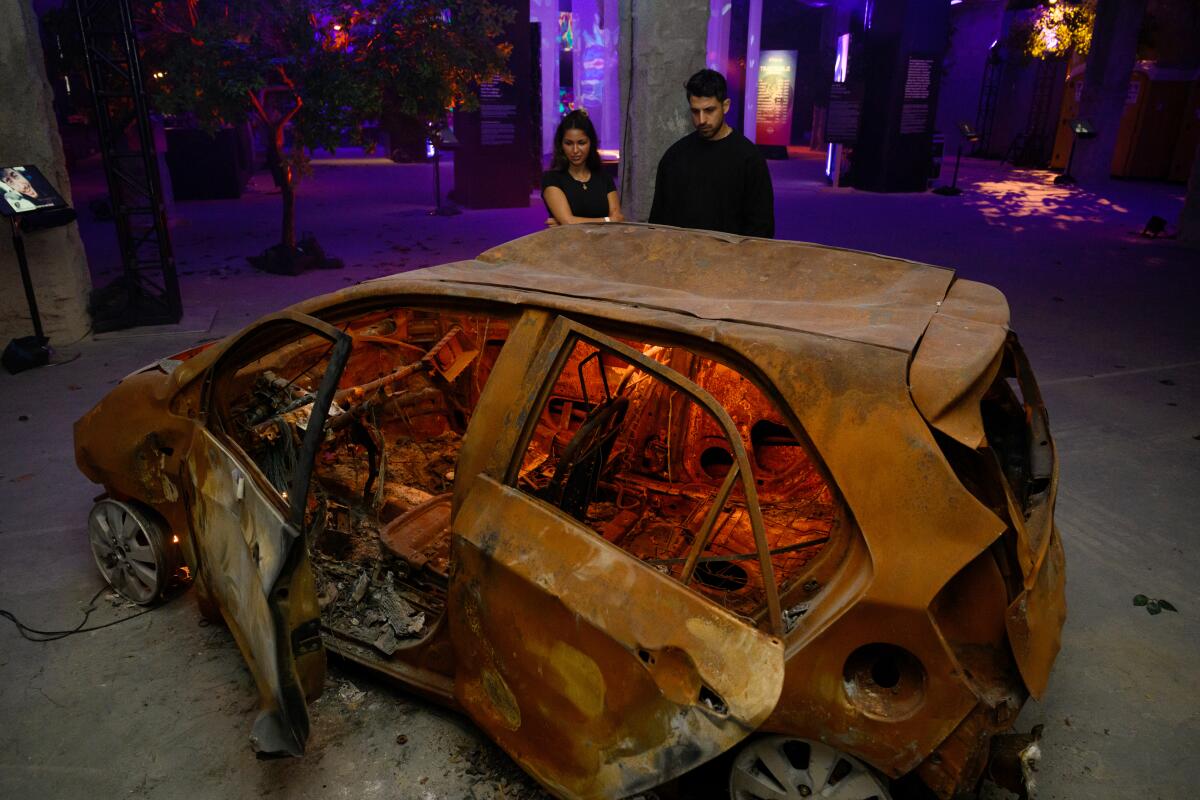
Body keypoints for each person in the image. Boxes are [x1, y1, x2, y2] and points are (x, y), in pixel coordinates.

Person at [648, 69, 774, 238]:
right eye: (695, 111)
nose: (701, 120)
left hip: (731, 261)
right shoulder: (674, 157)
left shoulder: (749, 158)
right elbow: (658, 221)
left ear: (726, 106)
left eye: (709, 110)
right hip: (683, 258)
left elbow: (761, 226)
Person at [542, 109, 623, 226]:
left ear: (591, 143)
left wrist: (566, 222)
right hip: (568, 244)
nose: (575, 150)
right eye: (569, 143)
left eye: (581, 143)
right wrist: (607, 220)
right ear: (561, 145)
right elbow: (568, 222)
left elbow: (617, 220)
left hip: (602, 243)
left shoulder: (604, 177)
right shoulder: (552, 179)